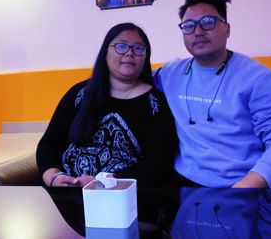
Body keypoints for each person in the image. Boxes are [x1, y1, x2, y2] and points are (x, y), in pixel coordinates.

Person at [154, 0, 271, 188]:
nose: (197, 31)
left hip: (241, 184)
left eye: (208, 22)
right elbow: (129, 81)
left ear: (227, 29)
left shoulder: (259, 79)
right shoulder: (170, 73)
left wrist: (245, 188)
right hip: (182, 185)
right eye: (188, 26)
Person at [37, 22, 178, 187]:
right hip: (66, 192)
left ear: (145, 57)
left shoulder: (156, 104)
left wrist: (103, 182)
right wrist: (53, 177)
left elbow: (158, 165)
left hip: (123, 195)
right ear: (105, 53)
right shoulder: (79, 94)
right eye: (121, 46)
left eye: (138, 48)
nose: (129, 53)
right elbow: (48, 144)